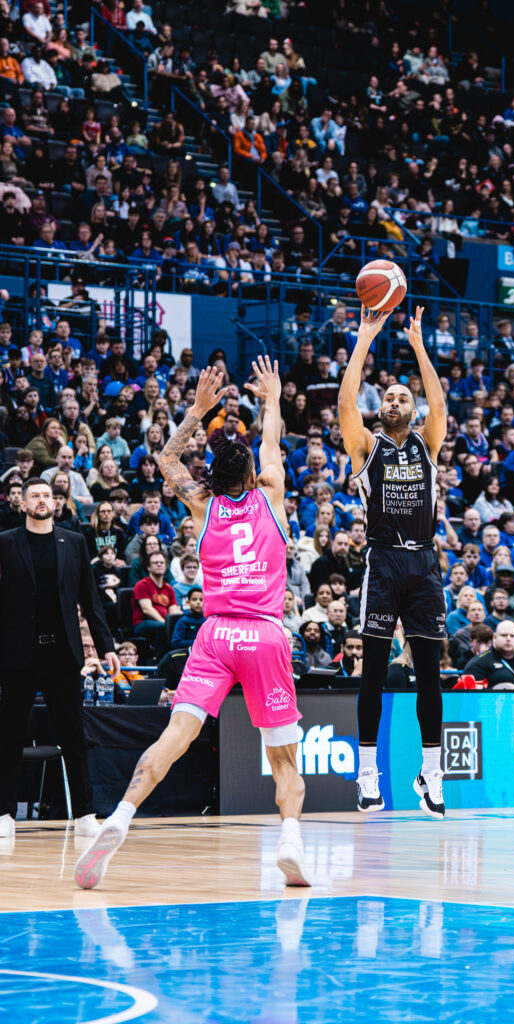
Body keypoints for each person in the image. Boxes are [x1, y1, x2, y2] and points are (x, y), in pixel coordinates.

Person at [75, 362, 310, 889]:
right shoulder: (271, 495)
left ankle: (119, 817)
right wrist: (271, 398)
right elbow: (272, 441)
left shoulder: (201, 505)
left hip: (215, 634)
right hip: (265, 634)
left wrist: (199, 411)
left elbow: (165, 458)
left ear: (213, 478)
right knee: (283, 758)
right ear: (250, 475)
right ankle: (291, 838)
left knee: (175, 737)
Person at [338, 305, 448, 818]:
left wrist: (420, 346)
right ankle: (367, 775)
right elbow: (344, 403)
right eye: (388, 396)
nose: (396, 400)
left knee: (429, 670)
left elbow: (440, 404)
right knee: (374, 672)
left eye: (404, 396)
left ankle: (431, 772)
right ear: (380, 408)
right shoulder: (365, 446)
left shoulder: (427, 444)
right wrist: (364, 339)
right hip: (382, 562)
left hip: (424, 564)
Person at [0, 478, 119, 842]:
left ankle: (84, 812)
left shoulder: (75, 542)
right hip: (18, 653)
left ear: (56, 502)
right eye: (34, 495)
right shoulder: (5, 543)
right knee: (8, 736)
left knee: (74, 735)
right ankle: (4, 812)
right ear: (22, 504)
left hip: (62, 653)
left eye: (46, 495)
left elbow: (91, 600)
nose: (40, 500)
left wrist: (106, 646)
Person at [462, 619, 514, 688]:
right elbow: (468, 697)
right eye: (504, 635)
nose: (508, 639)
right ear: (494, 637)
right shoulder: (479, 663)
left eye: (512, 636)